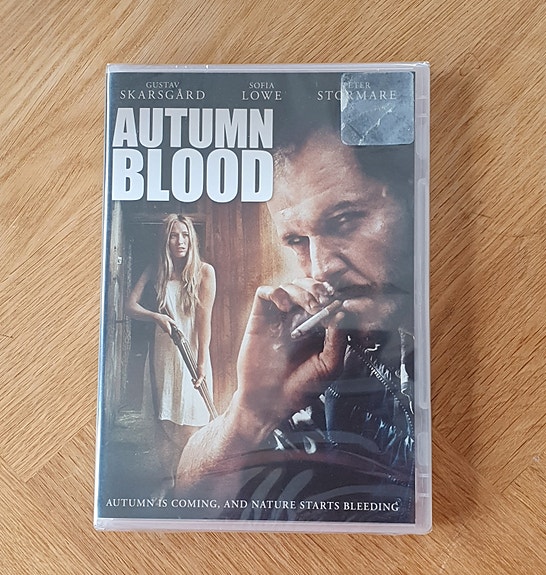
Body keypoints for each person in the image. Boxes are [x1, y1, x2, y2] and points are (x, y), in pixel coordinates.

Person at [176, 128, 416, 523]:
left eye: (343, 221)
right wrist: (251, 413)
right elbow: (185, 501)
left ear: (411, 196)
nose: (321, 269)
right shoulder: (324, 357)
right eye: (297, 241)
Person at [126, 214, 216, 493]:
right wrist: (156, 316)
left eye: (185, 235)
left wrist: (201, 364)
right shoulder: (156, 270)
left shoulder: (204, 272)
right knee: (164, 418)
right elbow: (129, 306)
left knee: (191, 419)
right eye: (174, 236)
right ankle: (168, 480)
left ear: (192, 239)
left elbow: (204, 324)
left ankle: (188, 481)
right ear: (166, 240)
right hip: (163, 353)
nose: (180, 241)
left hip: (191, 353)